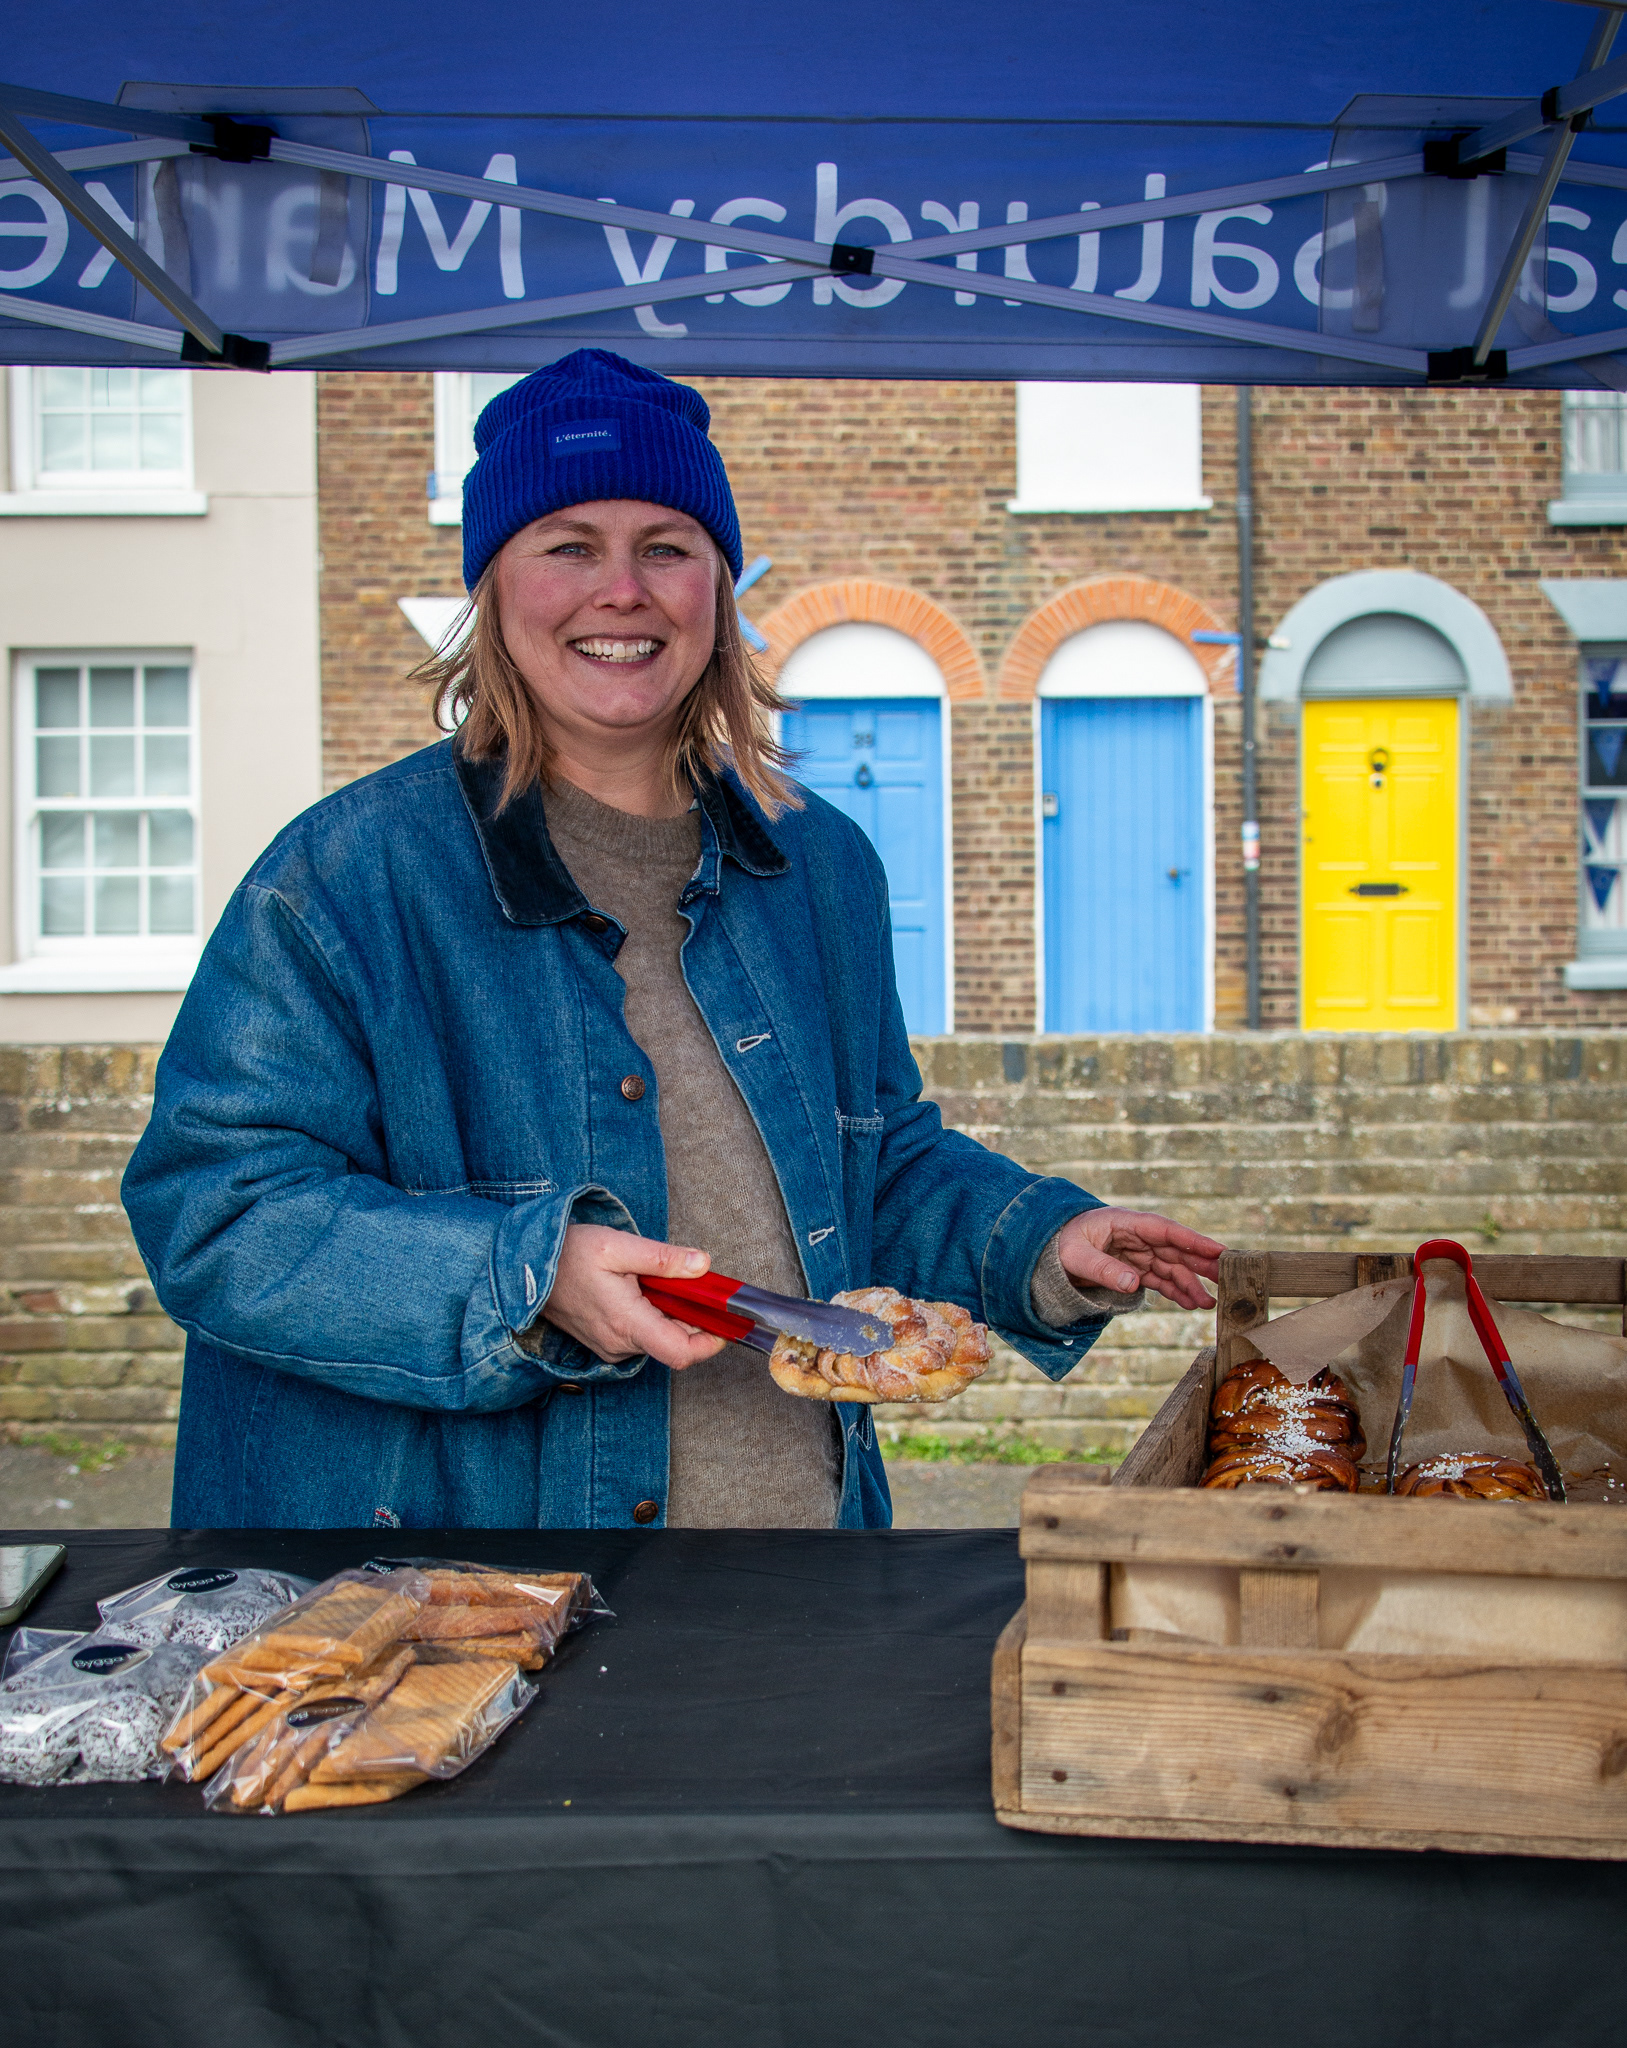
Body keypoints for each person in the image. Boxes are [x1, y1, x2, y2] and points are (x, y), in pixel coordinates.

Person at [122, 349, 1222, 1531]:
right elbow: (216, 1210)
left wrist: (1041, 1240)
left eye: (665, 546)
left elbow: (871, 1159)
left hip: (802, 1562)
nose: (622, 590)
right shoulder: (342, 879)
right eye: (567, 545)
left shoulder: (818, 866)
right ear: (492, 589)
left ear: (718, 584)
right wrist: (527, 1274)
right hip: (481, 1589)